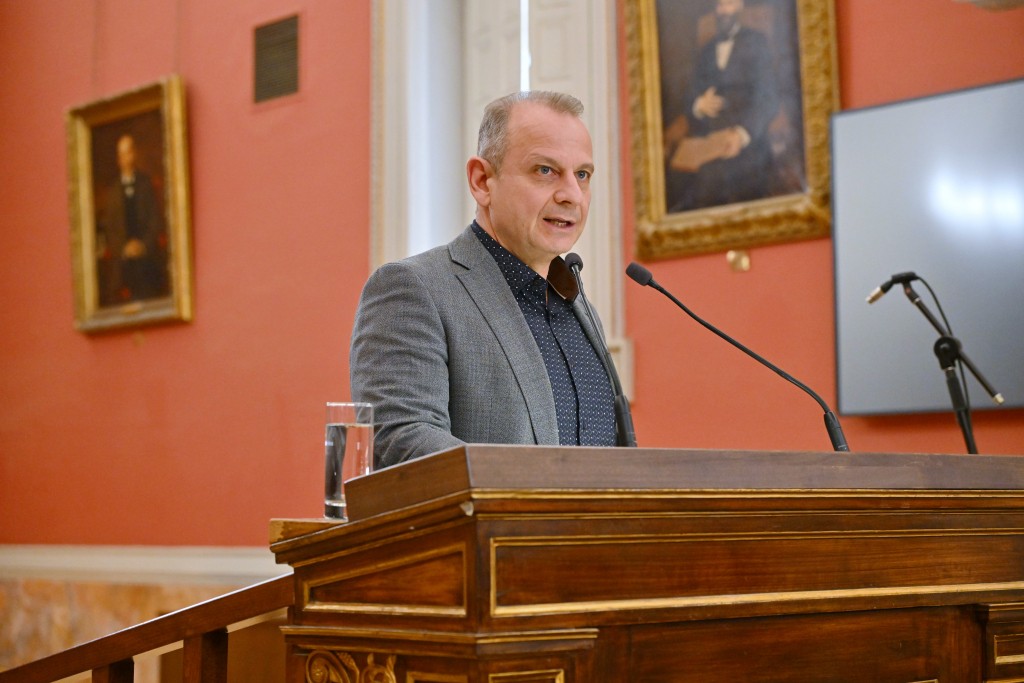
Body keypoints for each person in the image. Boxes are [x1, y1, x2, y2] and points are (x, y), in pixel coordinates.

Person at [350, 91, 635, 469]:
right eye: (545, 171)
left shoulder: (581, 310)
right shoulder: (414, 289)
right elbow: (401, 438)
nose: (572, 195)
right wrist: (536, 487)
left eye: (582, 175)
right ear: (482, 181)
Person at [664, 0, 781, 212]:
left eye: (728, 4)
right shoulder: (707, 51)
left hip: (748, 144)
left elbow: (769, 99)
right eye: (719, 5)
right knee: (676, 182)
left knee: (718, 183)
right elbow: (691, 96)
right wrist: (698, 104)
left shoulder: (757, 42)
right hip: (710, 143)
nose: (723, 10)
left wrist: (741, 134)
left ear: (740, 6)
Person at [96, 133, 168, 305]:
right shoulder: (113, 192)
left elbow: (155, 220)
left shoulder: (146, 184)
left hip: (147, 259)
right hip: (122, 263)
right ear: (118, 158)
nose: (125, 158)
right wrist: (124, 248)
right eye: (121, 154)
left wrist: (142, 246)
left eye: (128, 152)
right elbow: (110, 229)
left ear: (134, 154)